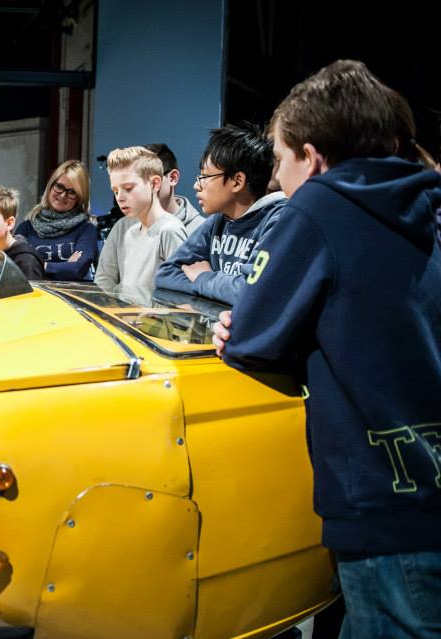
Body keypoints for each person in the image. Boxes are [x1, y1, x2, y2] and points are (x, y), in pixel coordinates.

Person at [212, 60, 441, 638]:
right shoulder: (426, 203)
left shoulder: (318, 207)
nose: (275, 179)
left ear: (311, 157)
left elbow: (250, 338)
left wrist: (245, 331)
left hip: (380, 503)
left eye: (279, 161)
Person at [154, 123, 286, 305]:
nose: (196, 185)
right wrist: (214, 288)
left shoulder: (278, 219)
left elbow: (251, 292)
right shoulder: (218, 220)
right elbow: (165, 274)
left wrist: (204, 278)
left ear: (237, 181)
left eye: (205, 177)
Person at [105, 146, 187, 292]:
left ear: (155, 184)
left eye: (128, 188)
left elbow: (182, 291)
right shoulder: (130, 232)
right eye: (116, 191)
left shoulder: (169, 230)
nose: (120, 198)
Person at [15, 160, 97, 281]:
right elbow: (15, 267)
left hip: (70, 293)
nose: (63, 195)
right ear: (50, 186)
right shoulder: (26, 227)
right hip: (33, 292)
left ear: (80, 198)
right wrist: (65, 266)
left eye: (72, 192)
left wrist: (37, 266)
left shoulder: (86, 229)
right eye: (59, 187)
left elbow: (77, 269)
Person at [144, 143, 206, 236]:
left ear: (173, 178)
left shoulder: (203, 230)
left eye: (151, 181)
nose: (141, 189)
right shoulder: (124, 227)